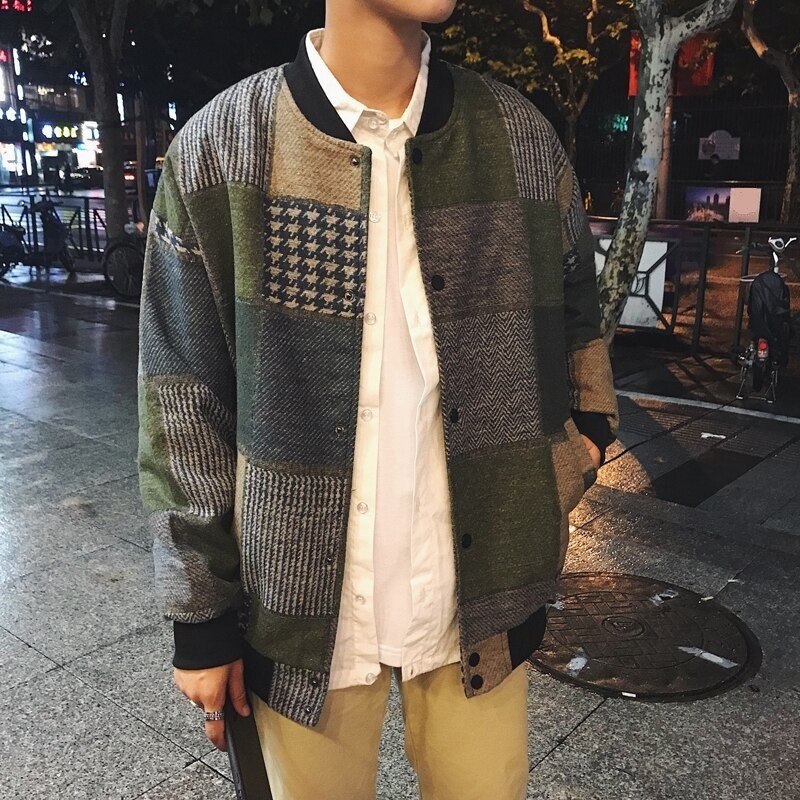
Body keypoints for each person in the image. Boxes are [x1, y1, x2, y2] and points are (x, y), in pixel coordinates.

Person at [137, 1, 618, 798]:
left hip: (482, 599)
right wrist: (201, 617)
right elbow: (182, 398)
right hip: (295, 611)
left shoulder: (517, 137)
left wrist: (578, 448)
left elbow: (576, 319)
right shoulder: (224, 147)